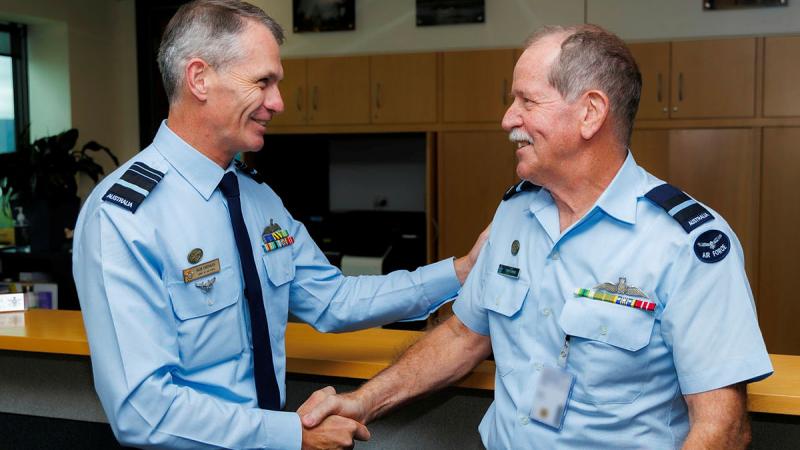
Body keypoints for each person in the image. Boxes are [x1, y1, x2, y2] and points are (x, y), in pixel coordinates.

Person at [299, 24, 773, 449]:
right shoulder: (516, 212)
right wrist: (364, 402)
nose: (508, 119)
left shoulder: (688, 242)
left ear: (590, 113)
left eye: (527, 101)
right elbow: (464, 335)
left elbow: (722, 428)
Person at [71, 1, 485, 449]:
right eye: (263, 82)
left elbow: (333, 299)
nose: (278, 103)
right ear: (199, 78)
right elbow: (142, 412)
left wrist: (459, 272)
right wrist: (293, 436)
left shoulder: (257, 197)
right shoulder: (124, 216)